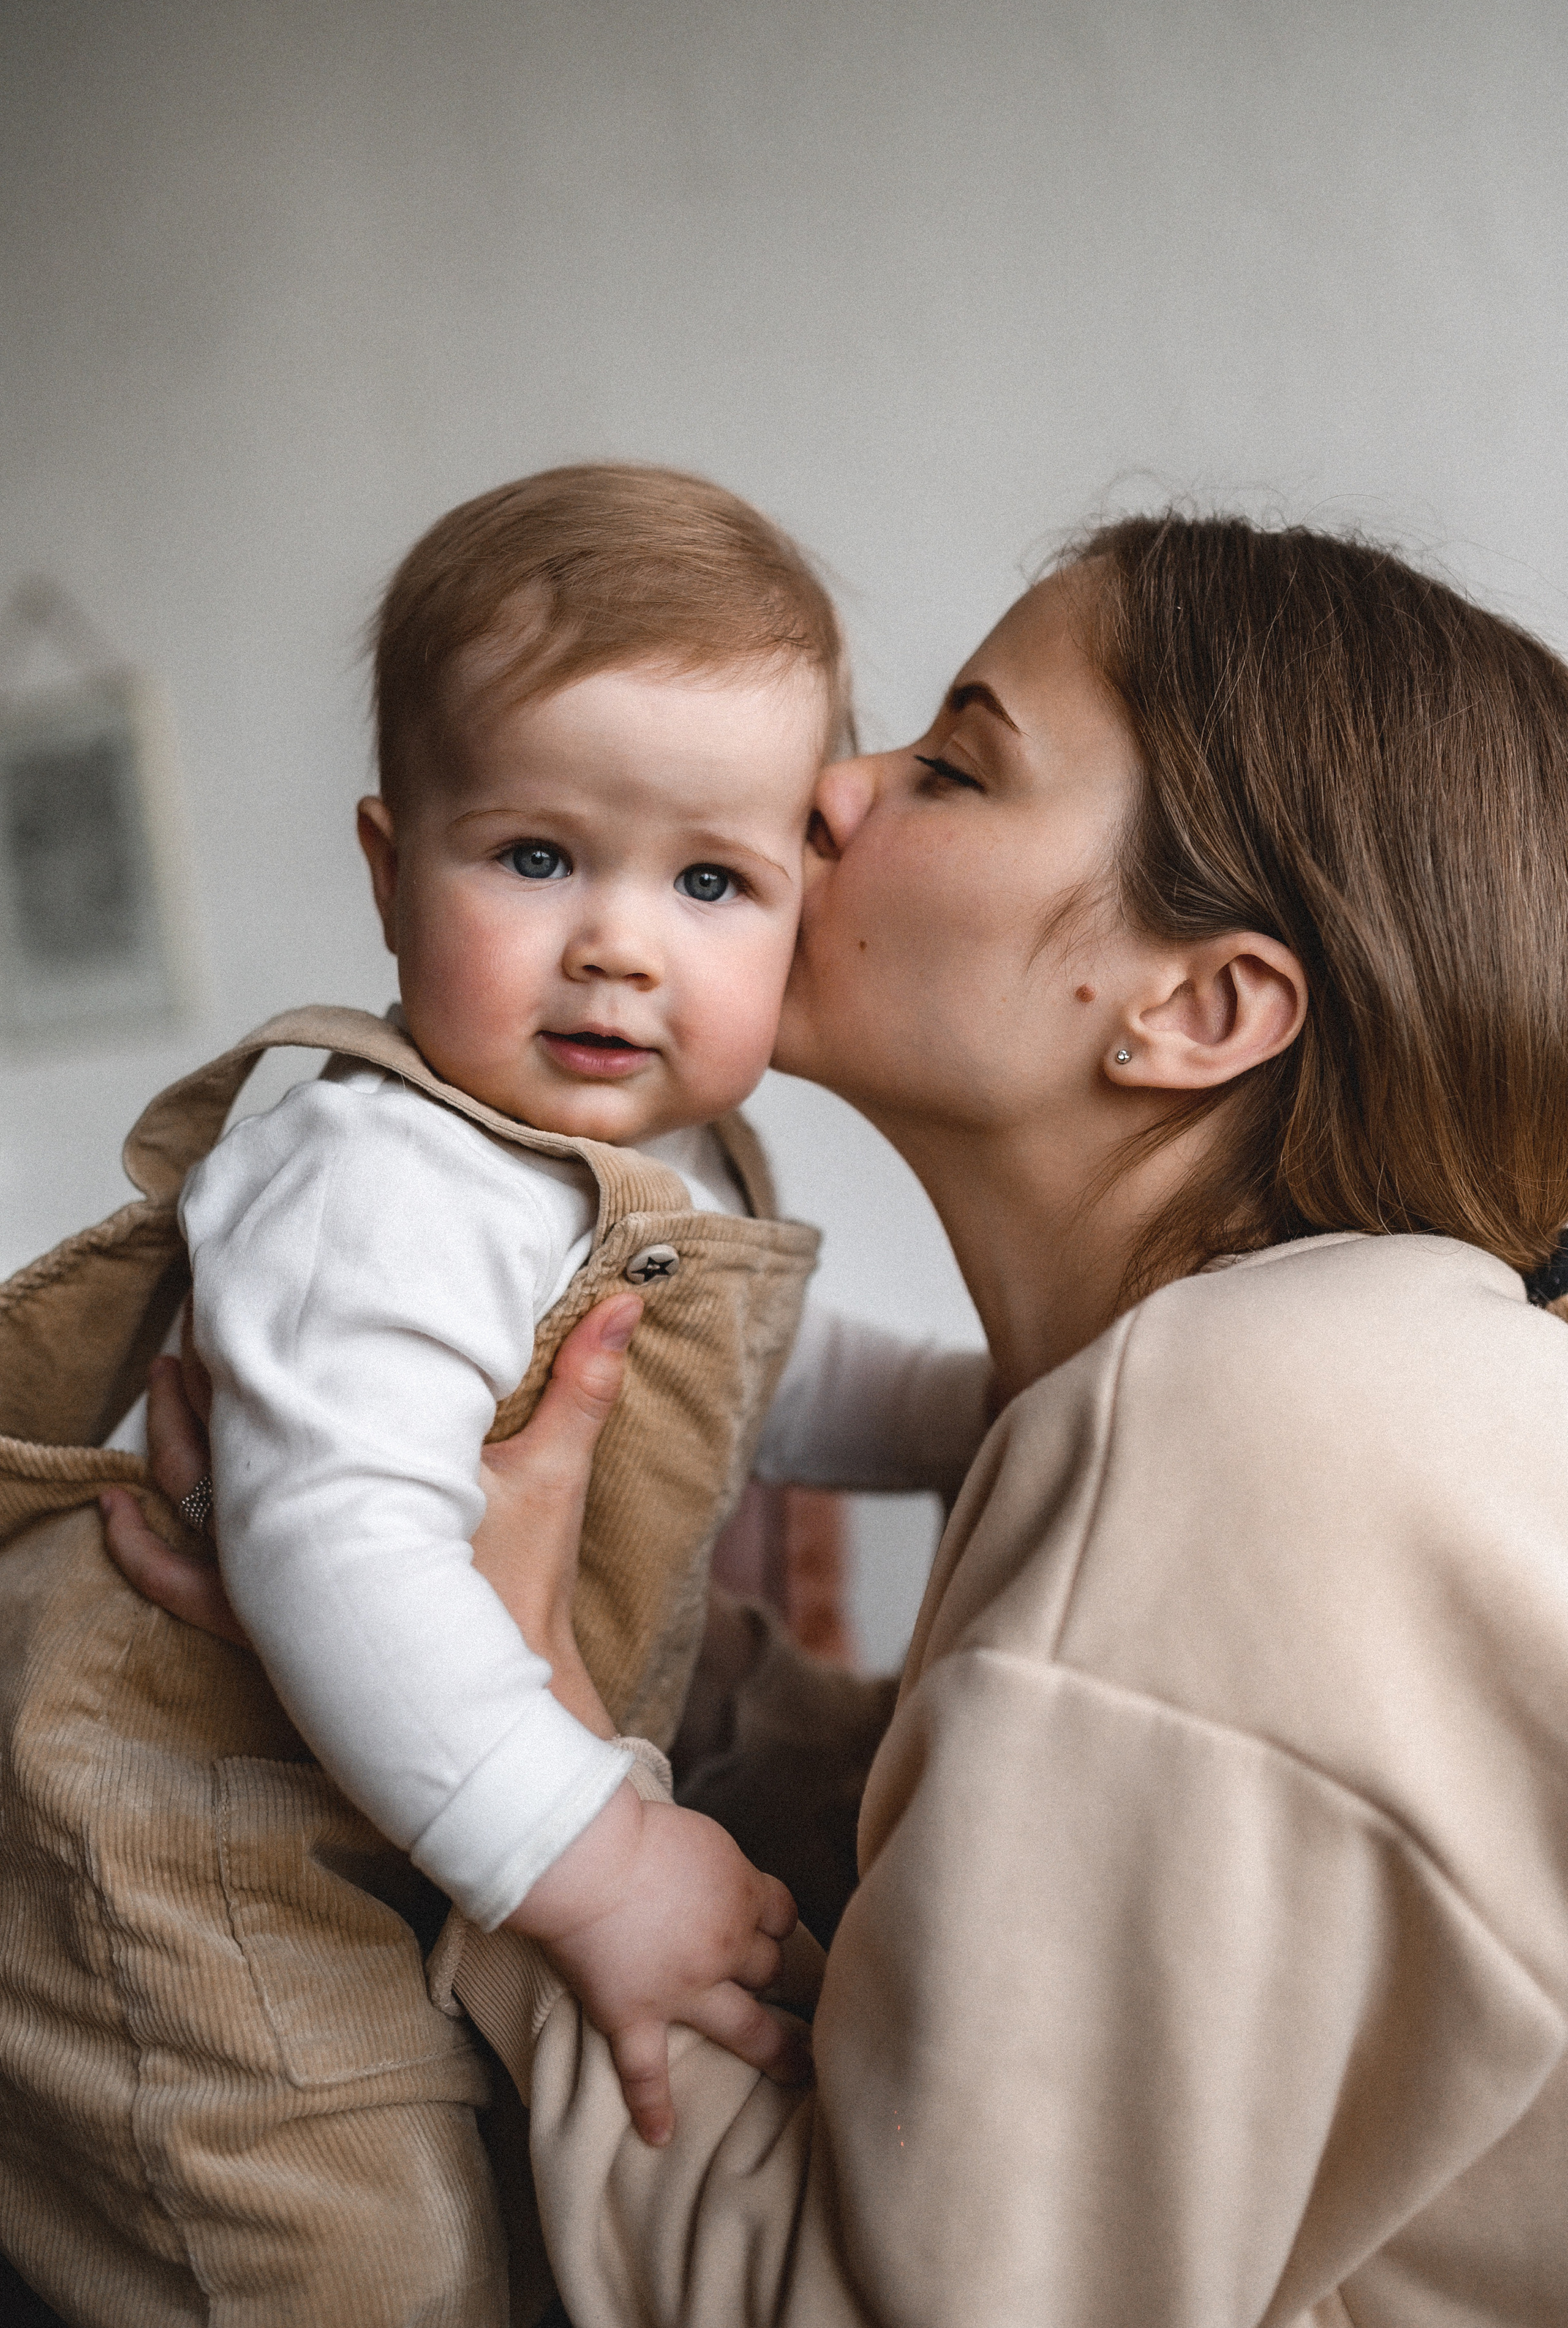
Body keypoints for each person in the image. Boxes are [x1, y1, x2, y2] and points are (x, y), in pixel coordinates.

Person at [123, 510, 1568, 2322]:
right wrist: (613, 1651)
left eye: (954, 767)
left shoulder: (1253, 1431)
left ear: (1195, 1006)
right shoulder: (1340, 1376)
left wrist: (520, 1746)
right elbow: (985, 1926)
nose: (820, 793)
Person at [0, 465, 990, 2327]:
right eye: (536, 857)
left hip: (441, 1777)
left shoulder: (662, 1165)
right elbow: (338, 1546)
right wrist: (599, 1868)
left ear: (802, 897)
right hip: (207, 1849)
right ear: (391, 870)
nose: (617, 940)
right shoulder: (386, 1176)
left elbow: (743, 1389)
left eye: (709, 879)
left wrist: (967, 1412)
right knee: (361, 2257)